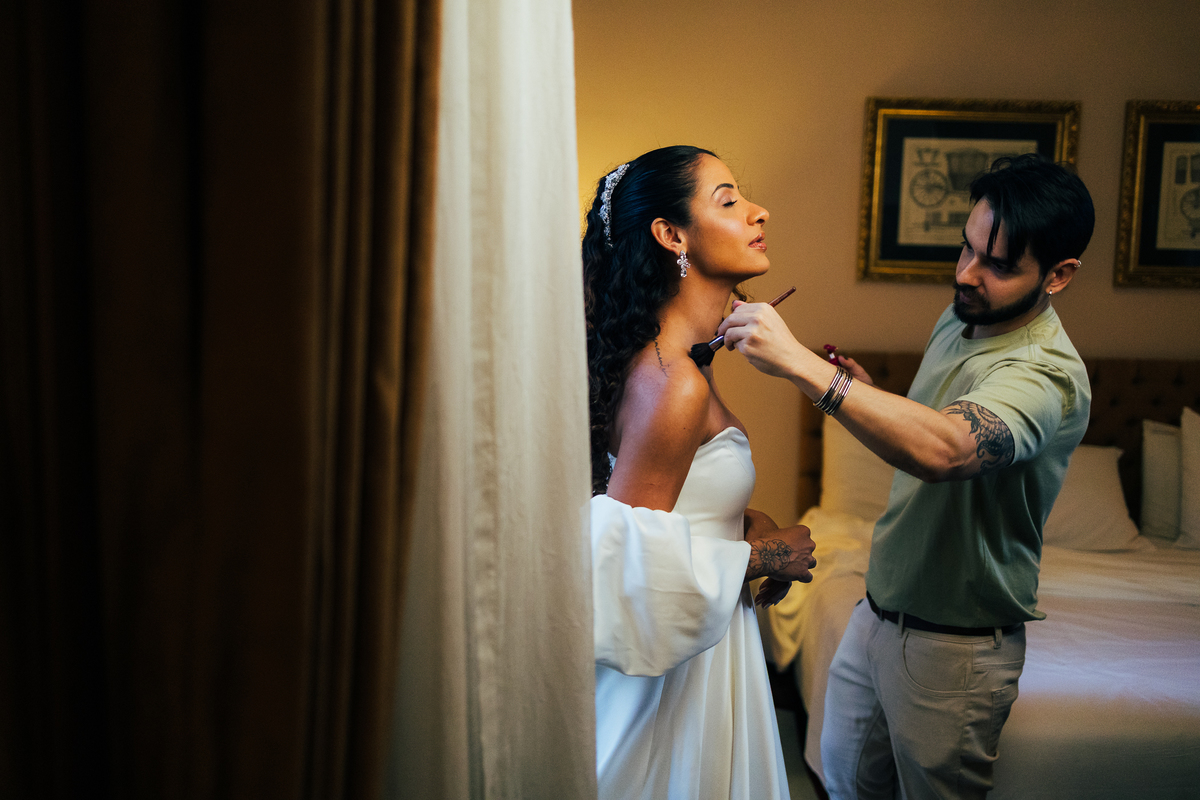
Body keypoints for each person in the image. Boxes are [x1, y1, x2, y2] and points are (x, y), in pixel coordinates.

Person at [717, 154, 1095, 799]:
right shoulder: (963, 316)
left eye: (999, 265)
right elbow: (927, 425)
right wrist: (866, 395)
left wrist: (802, 364)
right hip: (876, 611)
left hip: (956, 649)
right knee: (842, 784)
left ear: (1058, 275)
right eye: (967, 247)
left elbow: (946, 450)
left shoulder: (1044, 376)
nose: (967, 273)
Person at [585, 145, 817, 800]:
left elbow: (670, 504)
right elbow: (625, 570)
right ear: (671, 235)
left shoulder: (678, 361)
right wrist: (765, 554)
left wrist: (744, 519)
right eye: (729, 200)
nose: (758, 211)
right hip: (667, 695)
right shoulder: (674, 381)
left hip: (706, 662)